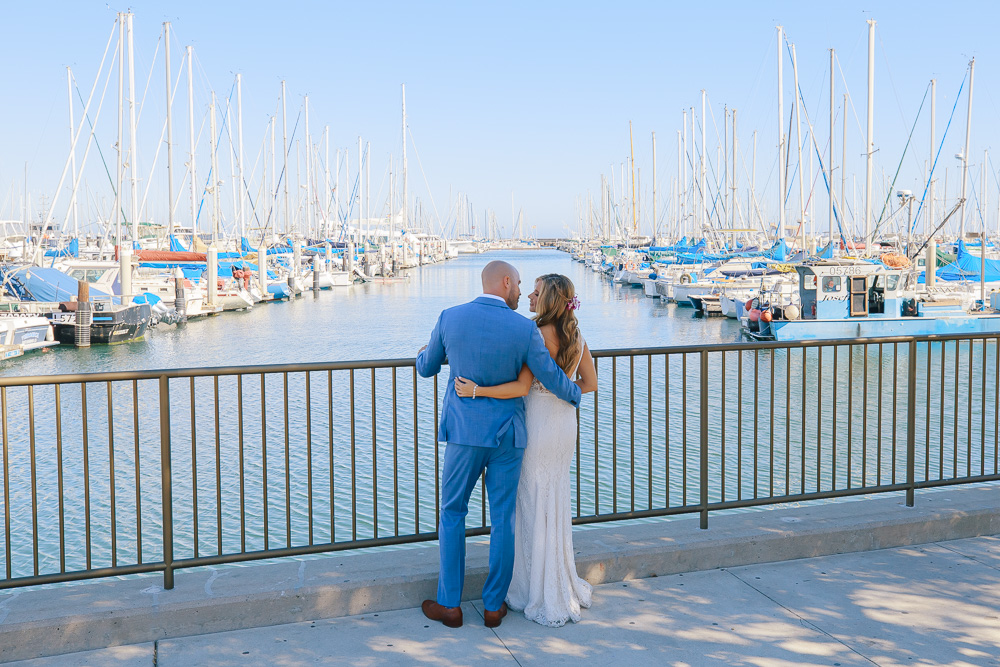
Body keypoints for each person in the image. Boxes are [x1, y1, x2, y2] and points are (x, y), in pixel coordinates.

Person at [416, 261, 582, 629]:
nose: (522, 292)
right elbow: (551, 376)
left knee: (452, 513)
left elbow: (426, 367)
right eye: (519, 284)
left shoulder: (450, 317)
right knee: (503, 518)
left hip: (465, 434)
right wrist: (575, 395)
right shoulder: (524, 329)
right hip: (509, 435)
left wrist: (428, 352)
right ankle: (493, 606)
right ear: (505, 283)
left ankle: (450, 605)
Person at [454, 273, 598, 627]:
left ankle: (529, 588)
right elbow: (589, 383)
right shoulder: (575, 335)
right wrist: (558, 391)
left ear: (548, 299)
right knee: (553, 497)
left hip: (536, 424)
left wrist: (478, 390)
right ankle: (557, 580)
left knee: (529, 501)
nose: (528, 295)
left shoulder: (534, 334)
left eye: (535, 292)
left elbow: (520, 386)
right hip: (563, 423)